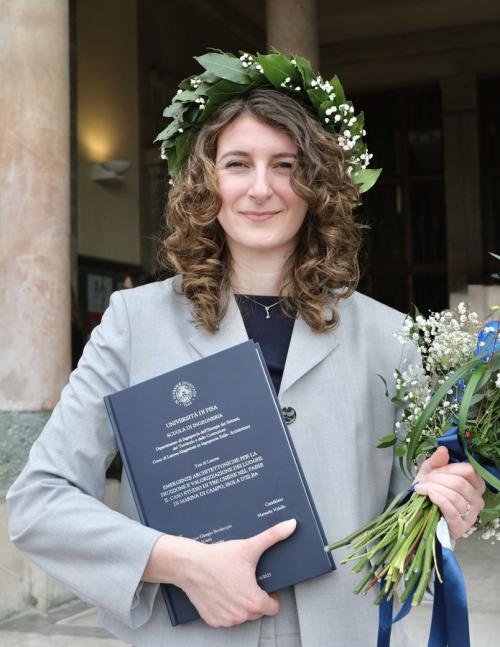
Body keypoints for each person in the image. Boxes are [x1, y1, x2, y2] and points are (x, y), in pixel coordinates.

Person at [7, 51, 485, 647]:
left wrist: (445, 509)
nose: (261, 188)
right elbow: (40, 502)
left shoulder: (389, 338)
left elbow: (409, 526)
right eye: (238, 163)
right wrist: (180, 562)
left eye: (286, 165)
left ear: (318, 184)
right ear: (207, 182)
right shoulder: (133, 323)